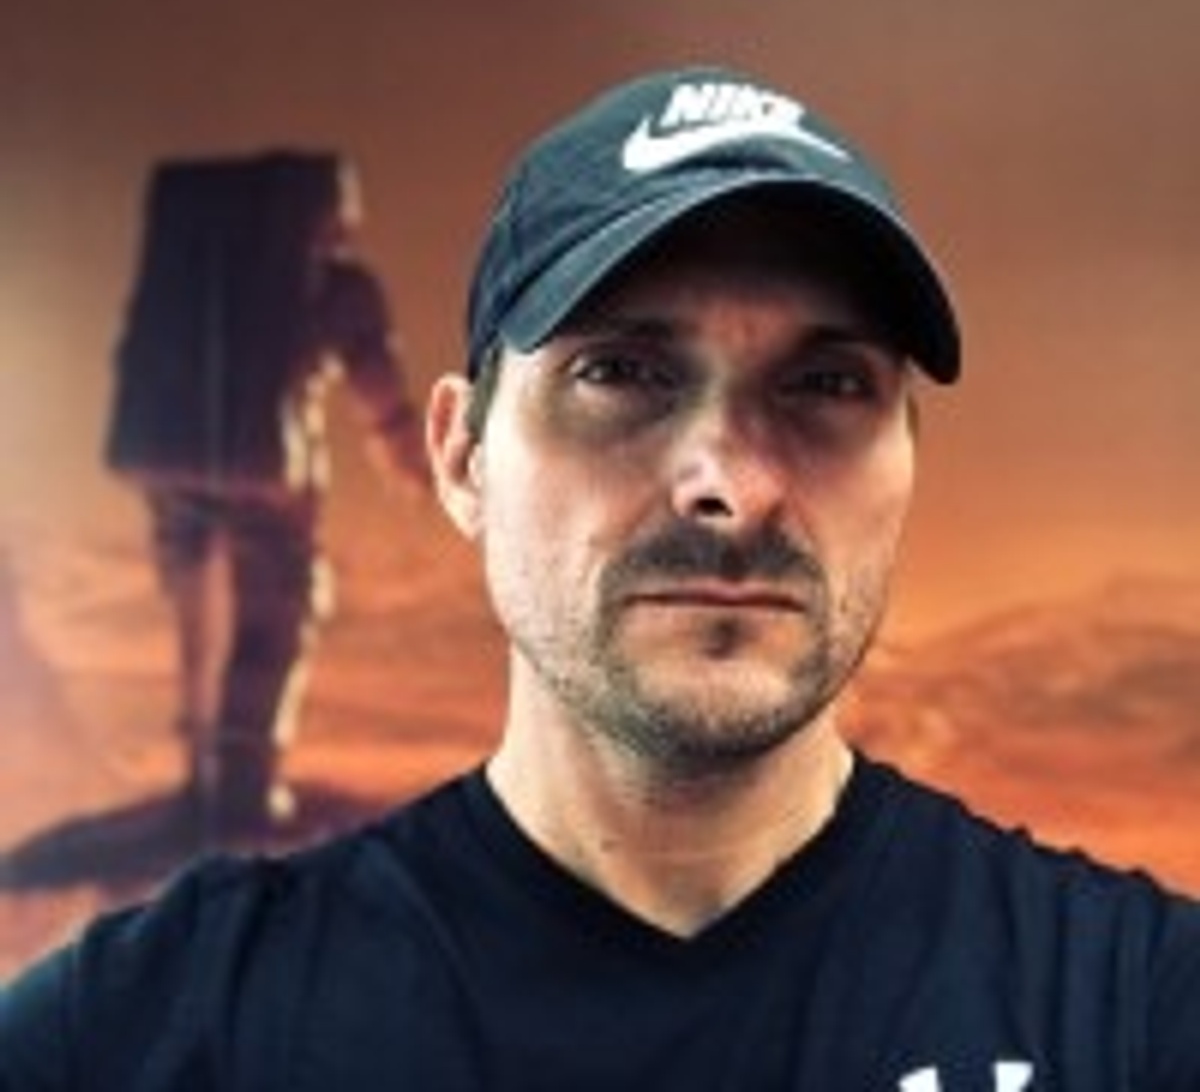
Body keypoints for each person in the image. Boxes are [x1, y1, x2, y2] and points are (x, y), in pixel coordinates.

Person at [2, 65, 1198, 1089]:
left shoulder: (1138, 1013)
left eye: (827, 385)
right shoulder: (151, 1035)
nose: (731, 484)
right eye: (622, 373)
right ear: (462, 458)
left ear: (910, 463)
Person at [102, 151, 428, 836]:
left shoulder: (194, 274)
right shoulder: (334, 284)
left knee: (196, 619)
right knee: (273, 615)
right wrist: (408, 456)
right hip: (266, 474)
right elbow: (374, 380)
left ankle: (201, 781)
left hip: (168, 460)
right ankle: (244, 789)